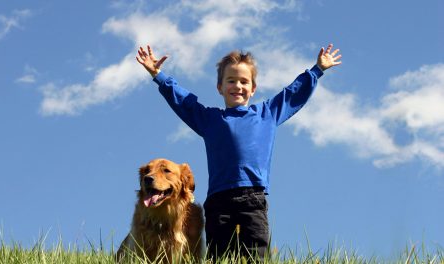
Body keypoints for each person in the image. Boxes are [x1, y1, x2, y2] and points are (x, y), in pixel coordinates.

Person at [136, 44, 342, 260]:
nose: (238, 86)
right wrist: (158, 75)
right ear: (220, 87)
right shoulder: (210, 120)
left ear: (253, 88)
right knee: (219, 257)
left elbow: (292, 93)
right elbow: (185, 103)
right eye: (231, 80)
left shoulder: (267, 114)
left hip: (252, 200)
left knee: (255, 257)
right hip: (218, 202)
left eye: (244, 81)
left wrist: (317, 69)